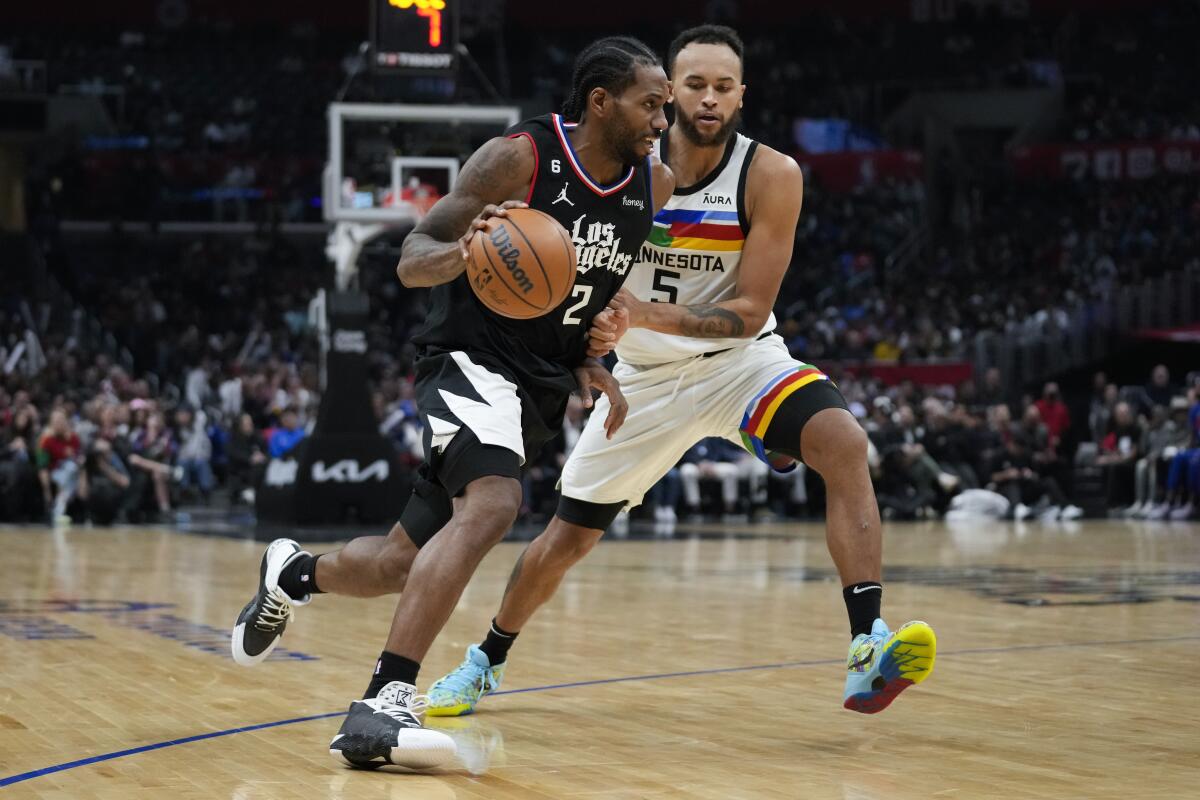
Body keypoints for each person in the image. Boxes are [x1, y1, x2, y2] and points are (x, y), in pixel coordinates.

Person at [424, 25, 934, 721]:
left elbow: (751, 312)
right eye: (693, 84)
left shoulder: (771, 174)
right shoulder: (630, 170)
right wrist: (586, 333)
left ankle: (867, 643)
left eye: (723, 86)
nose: (707, 98)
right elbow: (567, 270)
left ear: (741, 95)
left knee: (843, 439)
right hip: (642, 379)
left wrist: (641, 314)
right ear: (667, 90)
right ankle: (485, 659)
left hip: (739, 364)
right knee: (564, 540)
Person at [229, 36, 673, 770]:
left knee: (398, 564)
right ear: (602, 102)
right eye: (651, 103)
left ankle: (293, 573)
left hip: (536, 386)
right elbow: (412, 257)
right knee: (495, 504)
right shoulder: (520, 158)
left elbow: (589, 284)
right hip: (467, 362)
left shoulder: (648, 185)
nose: (663, 120)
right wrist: (463, 254)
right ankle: (381, 704)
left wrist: (596, 356)